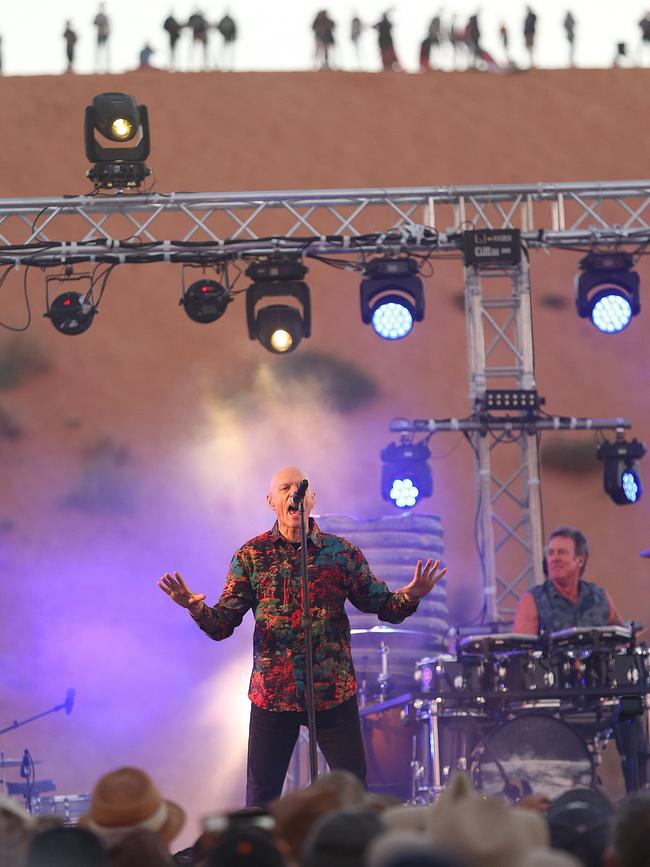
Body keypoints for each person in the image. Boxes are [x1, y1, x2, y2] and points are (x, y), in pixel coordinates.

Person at [158, 466, 446, 807]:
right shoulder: (251, 556)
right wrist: (194, 608)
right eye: (285, 488)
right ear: (271, 500)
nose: (294, 493)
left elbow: (383, 605)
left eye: (301, 488)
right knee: (261, 800)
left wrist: (411, 596)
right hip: (272, 694)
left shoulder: (340, 553)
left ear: (311, 499)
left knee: (353, 796)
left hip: (332, 692)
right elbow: (223, 625)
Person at [513, 525, 647, 792]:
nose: (554, 558)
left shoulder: (599, 597)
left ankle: (639, 799)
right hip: (555, 697)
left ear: (580, 560)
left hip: (600, 694)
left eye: (562, 552)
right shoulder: (533, 600)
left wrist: (629, 636)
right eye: (550, 553)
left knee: (633, 707)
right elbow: (520, 655)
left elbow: (621, 638)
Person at [93, 3, 111, 73]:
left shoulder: (105, 16)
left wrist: (107, 32)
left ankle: (107, 68)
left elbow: (108, 26)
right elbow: (94, 23)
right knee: (98, 51)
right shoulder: (98, 16)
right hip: (99, 34)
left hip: (105, 35)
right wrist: (99, 23)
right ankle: (97, 67)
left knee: (106, 51)